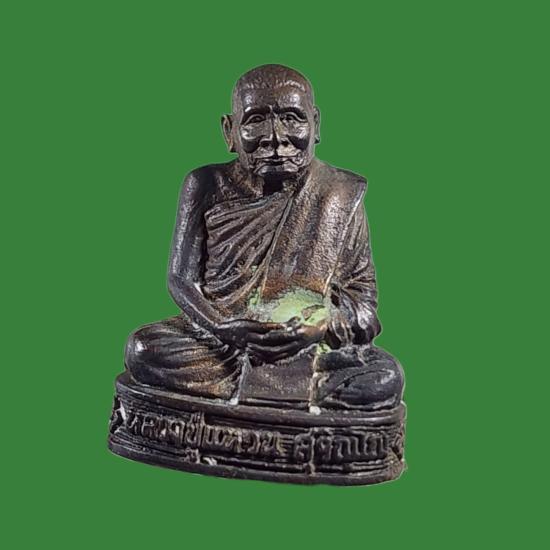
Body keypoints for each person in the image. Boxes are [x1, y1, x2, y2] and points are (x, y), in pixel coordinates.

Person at [125, 64, 403, 411]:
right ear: (229, 131)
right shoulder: (206, 185)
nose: (275, 137)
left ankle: (259, 392)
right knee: (143, 349)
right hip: (223, 343)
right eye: (255, 120)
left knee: (384, 377)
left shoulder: (338, 194)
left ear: (316, 124)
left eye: (292, 118)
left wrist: (318, 327)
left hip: (307, 346)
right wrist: (223, 326)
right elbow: (181, 280)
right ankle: (285, 394)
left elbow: (363, 307)